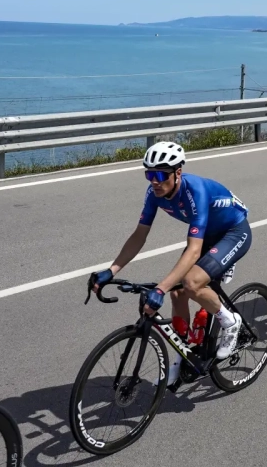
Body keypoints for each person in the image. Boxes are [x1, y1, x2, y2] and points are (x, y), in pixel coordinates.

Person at [88, 141, 252, 385]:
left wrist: (160, 289)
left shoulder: (195, 191)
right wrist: (111, 271)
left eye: (160, 175)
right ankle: (181, 358)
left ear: (177, 173)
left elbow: (194, 250)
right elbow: (139, 235)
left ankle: (231, 322)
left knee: (191, 283)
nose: (154, 181)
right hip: (207, 234)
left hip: (233, 232)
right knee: (178, 294)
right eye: (149, 174)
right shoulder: (154, 193)